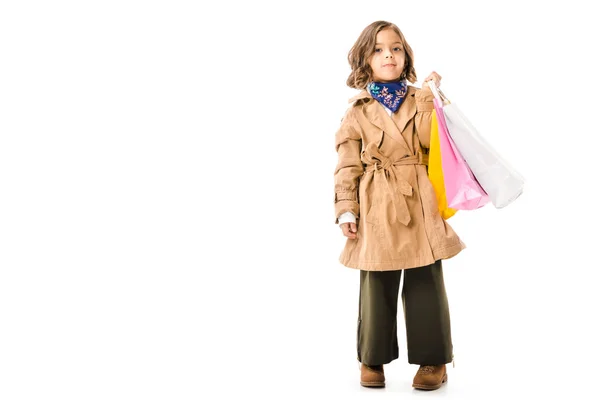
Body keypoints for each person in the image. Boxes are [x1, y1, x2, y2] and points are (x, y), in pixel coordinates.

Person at [333, 20, 466, 390]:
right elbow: (347, 162)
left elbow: (433, 141)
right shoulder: (357, 110)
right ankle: (371, 358)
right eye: (377, 50)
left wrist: (431, 97)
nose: (388, 55)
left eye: (395, 48)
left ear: (405, 55)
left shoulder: (419, 97)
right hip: (375, 199)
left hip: (417, 196)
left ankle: (433, 359)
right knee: (376, 279)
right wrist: (347, 208)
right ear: (365, 59)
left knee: (425, 279)